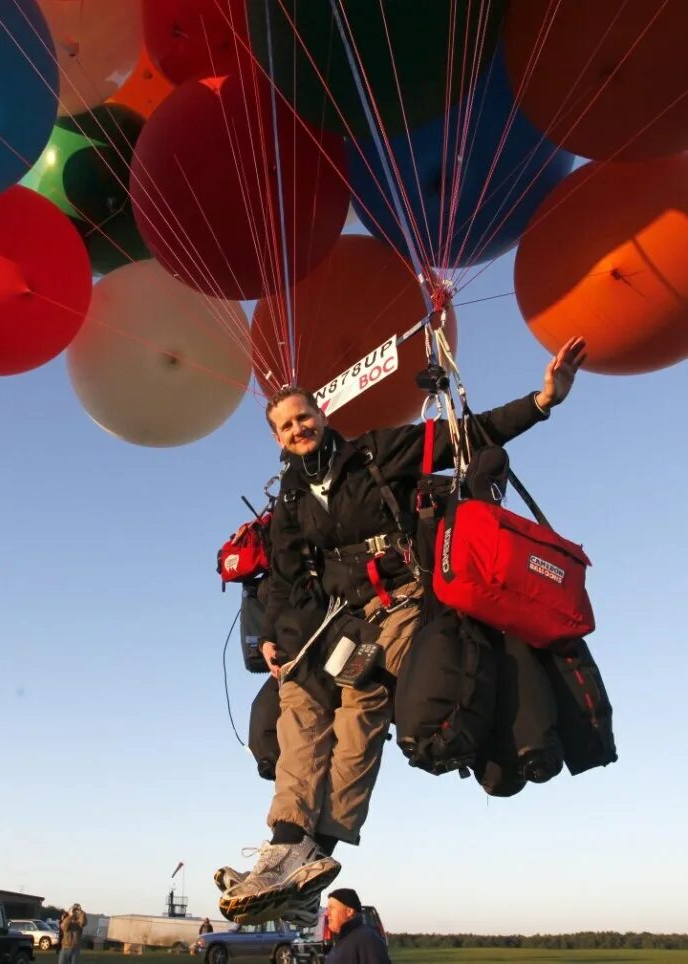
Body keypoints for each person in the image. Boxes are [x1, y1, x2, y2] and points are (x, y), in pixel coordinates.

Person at [217, 337, 586, 925]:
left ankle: (320, 852)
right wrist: (273, 640)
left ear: (322, 414)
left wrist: (542, 401)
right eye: (285, 425)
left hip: (399, 602)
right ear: (276, 437)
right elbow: (286, 580)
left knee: (360, 713)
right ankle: (286, 847)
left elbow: (467, 437)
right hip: (336, 617)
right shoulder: (289, 498)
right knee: (299, 703)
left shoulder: (374, 453)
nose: (297, 429)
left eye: (303, 416)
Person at [325, 889, 391, 964]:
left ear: (349, 911)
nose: (327, 913)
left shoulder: (367, 940)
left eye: (331, 908)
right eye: (327, 909)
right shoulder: (343, 941)